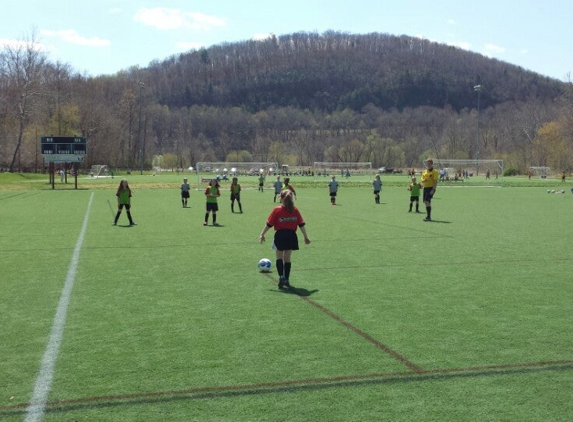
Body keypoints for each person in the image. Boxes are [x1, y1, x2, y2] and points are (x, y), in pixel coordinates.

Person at [259, 190, 311, 289]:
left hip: (280, 236)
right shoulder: (295, 210)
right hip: (291, 236)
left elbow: (269, 224)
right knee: (287, 258)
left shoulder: (277, 210)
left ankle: (281, 277)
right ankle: (286, 279)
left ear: (281, 198)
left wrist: (262, 234)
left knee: (279, 257)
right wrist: (306, 237)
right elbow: (301, 225)